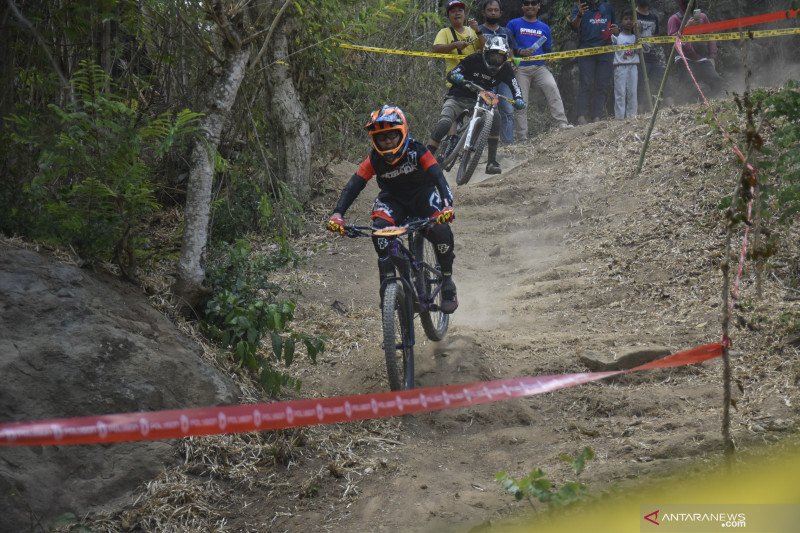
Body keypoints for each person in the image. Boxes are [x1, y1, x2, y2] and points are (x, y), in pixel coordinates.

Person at [327, 106, 459, 314]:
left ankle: (448, 284)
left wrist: (447, 206)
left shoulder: (417, 151)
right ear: (374, 140)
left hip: (423, 197)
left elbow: (438, 178)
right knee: (379, 233)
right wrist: (337, 214)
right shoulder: (374, 160)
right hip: (393, 200)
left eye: (392, 136)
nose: (387, 141)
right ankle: (389, 288)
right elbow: (354, 185)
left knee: (440, 231)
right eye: (382, 138)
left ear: (402, 133)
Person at [426, 36, 526, 176]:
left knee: (496, 117)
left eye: (500, 58)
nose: (496, 60)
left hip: (482, 98)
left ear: (505, 58)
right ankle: (426, 157)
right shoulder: (474, 59)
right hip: (457, 96)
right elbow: (453, 72)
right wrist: (456, 76)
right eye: (493, 56)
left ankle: (491, 162)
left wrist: (519, 98)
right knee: (444, 123)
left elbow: (515, 86)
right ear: (486, 53)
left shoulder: (505, 68)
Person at [507, 0, 572, 139]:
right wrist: (515, 56)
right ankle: (522, 136)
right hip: (520, 68)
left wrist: (551, 58)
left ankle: (561, 124)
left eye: (533, 3)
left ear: (538, 7)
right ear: (522, 6)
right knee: (521, 101)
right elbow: (507, 46)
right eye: (527, 3)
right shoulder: (513, 24)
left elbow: (548, 50)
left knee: (552, 87)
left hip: (540, 67)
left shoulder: (544, 27)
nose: (530, 6)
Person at [570, 1, 617, 124]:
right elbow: (574, 26)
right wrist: (580, 14)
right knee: (586, 82)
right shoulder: (579, 7)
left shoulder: (607, 7)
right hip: (586, 49)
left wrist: (616, 29)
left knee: (602, 83)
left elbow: (615, 27)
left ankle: (597, 116)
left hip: (605, 49)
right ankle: (581, 116)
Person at [667, 1, 722, 102]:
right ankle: (694, 105)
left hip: (702, 58)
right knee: (689, 89)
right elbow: (673, 42)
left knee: (717, 82)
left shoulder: (703, 17)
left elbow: (710, 35)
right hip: (684, 58)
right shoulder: (674, 19)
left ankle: (709, 104)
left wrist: (712, 55)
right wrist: (686, 27)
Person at [479, 0, 517, 145]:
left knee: (507, 109)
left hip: (504, 76)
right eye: (490, 10)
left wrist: (513, 64)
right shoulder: (478, 31)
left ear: (500, 13)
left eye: (496, 10)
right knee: (485, 109)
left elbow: (511, 53)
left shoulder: (506, 32)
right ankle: (480, 145)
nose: (493, 12)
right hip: (484, 76)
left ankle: (508, 145)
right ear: (484, 12)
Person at [433, 0, 487, 80]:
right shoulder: (444, 32)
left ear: (464, 14)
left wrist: (478, 31)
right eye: (453, 11)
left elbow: (486, 49)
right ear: (448, 16)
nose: (457, 13)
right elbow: (435, 50)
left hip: (474, 78)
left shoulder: (472, 31)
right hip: (455, 79)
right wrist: (454, 45)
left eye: (460, 10)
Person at [635, 0, 666, 112]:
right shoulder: (633, 16)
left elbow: (656, 36)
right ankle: (640, 110)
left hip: (653, 56)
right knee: (640, 85)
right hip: (638, 57)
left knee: (656, 83)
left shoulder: (654, 17)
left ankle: (655, 109)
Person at [611, 9, 639, 119]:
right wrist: (615, 32)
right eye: (626, 19)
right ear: (621, 21)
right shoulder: (616, 37)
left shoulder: (636, 37)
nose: (629, 21)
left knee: (632, 92)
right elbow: (611, 42)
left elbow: (641, 50)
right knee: (620, 93)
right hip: (620, 66)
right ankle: (619, 118)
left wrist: (638, 32)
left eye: (631, 19)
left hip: (633, 65)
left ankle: (632, 116)